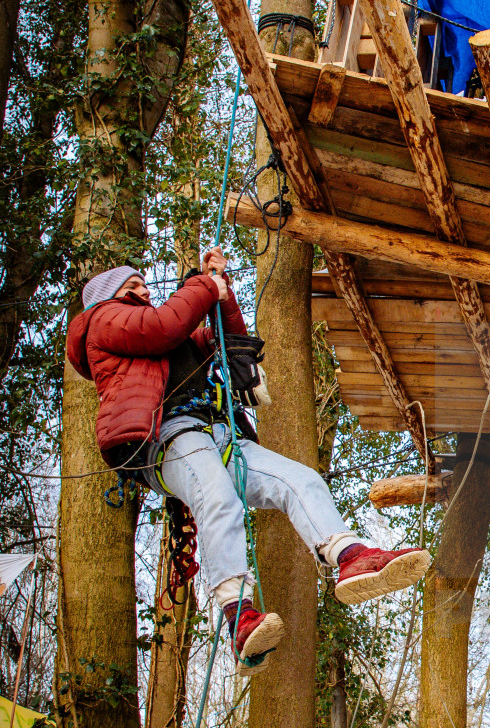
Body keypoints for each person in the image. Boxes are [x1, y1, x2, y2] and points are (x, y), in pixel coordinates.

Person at [66, 249, 430, 672]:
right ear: (109, 296)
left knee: (300, 480)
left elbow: (232, 342)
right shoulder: (104, 321)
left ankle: (350, 557)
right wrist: (202, 286)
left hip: (220, 434)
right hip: (168, 437)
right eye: (134, 287)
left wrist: (221, 292)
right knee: (218, 498)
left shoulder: (174, 335)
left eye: (144, 284)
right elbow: (162, 327)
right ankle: (238, 615)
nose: (145, 290)